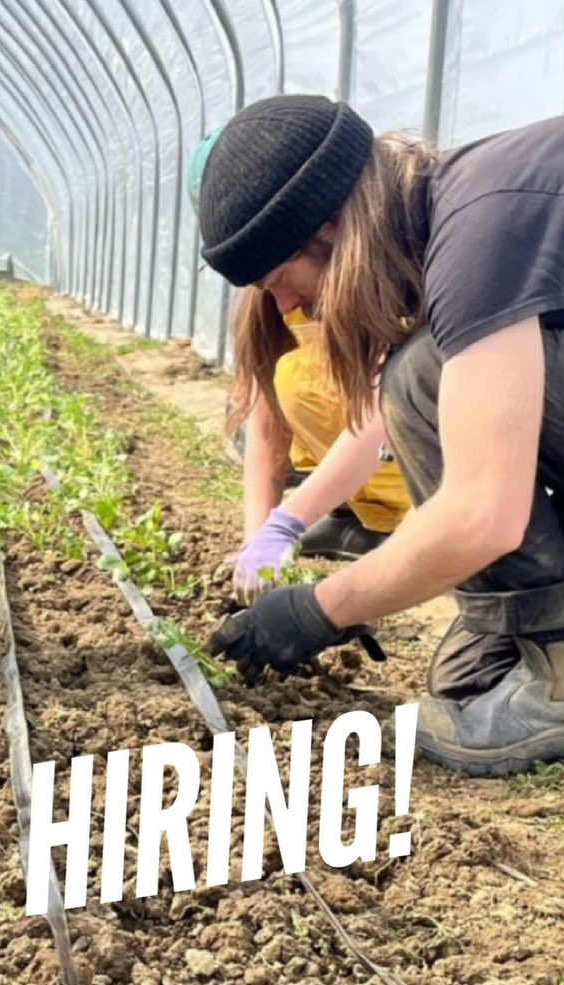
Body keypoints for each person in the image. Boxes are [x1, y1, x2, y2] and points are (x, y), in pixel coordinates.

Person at [198, 94, 564, 776]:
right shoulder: (461, 207)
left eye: (282, 280)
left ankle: (556, 677)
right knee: (462, 675)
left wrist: (317, 610)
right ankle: (527, 642)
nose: (288, 306)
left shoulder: (484, 231)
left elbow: (483, 512)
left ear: (331, 224)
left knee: (419, 373)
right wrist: (277, 531)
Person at [228, 294, 411, 602]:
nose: (285, 304)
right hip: (366, 460)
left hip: (425, 471)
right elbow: (266, 430)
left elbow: (382, 417)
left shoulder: (388, 289)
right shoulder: (278, 299)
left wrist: (288, 523)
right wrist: (257, 539)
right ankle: (356, 513)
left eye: (282, 279)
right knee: (289, 373)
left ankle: (410, 521)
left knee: (298, 373)